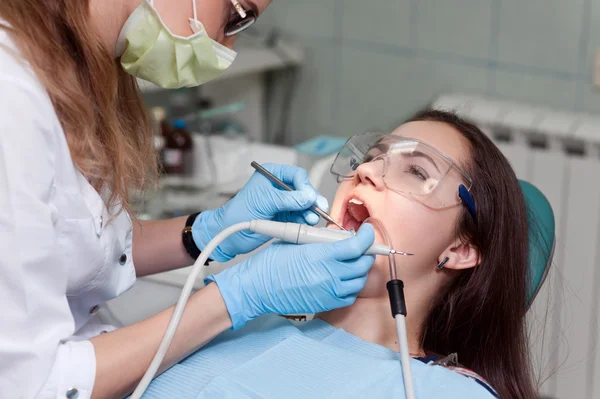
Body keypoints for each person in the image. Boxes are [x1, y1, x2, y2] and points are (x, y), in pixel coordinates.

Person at [0, 1, 377, 398]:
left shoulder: (73, 68)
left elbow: (77, 242)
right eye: (238, 15)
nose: (227, 45)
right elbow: (33, 384)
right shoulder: (11, 98)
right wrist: (233, 299)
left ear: (453, 252)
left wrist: (209, 229)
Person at [142, 109, 538, 399]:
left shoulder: (444, 392)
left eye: (415, 171)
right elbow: (87, 378)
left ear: (459, 249)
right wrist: (232, 292)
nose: (366, 172)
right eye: (371, 158)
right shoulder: (241, 318)